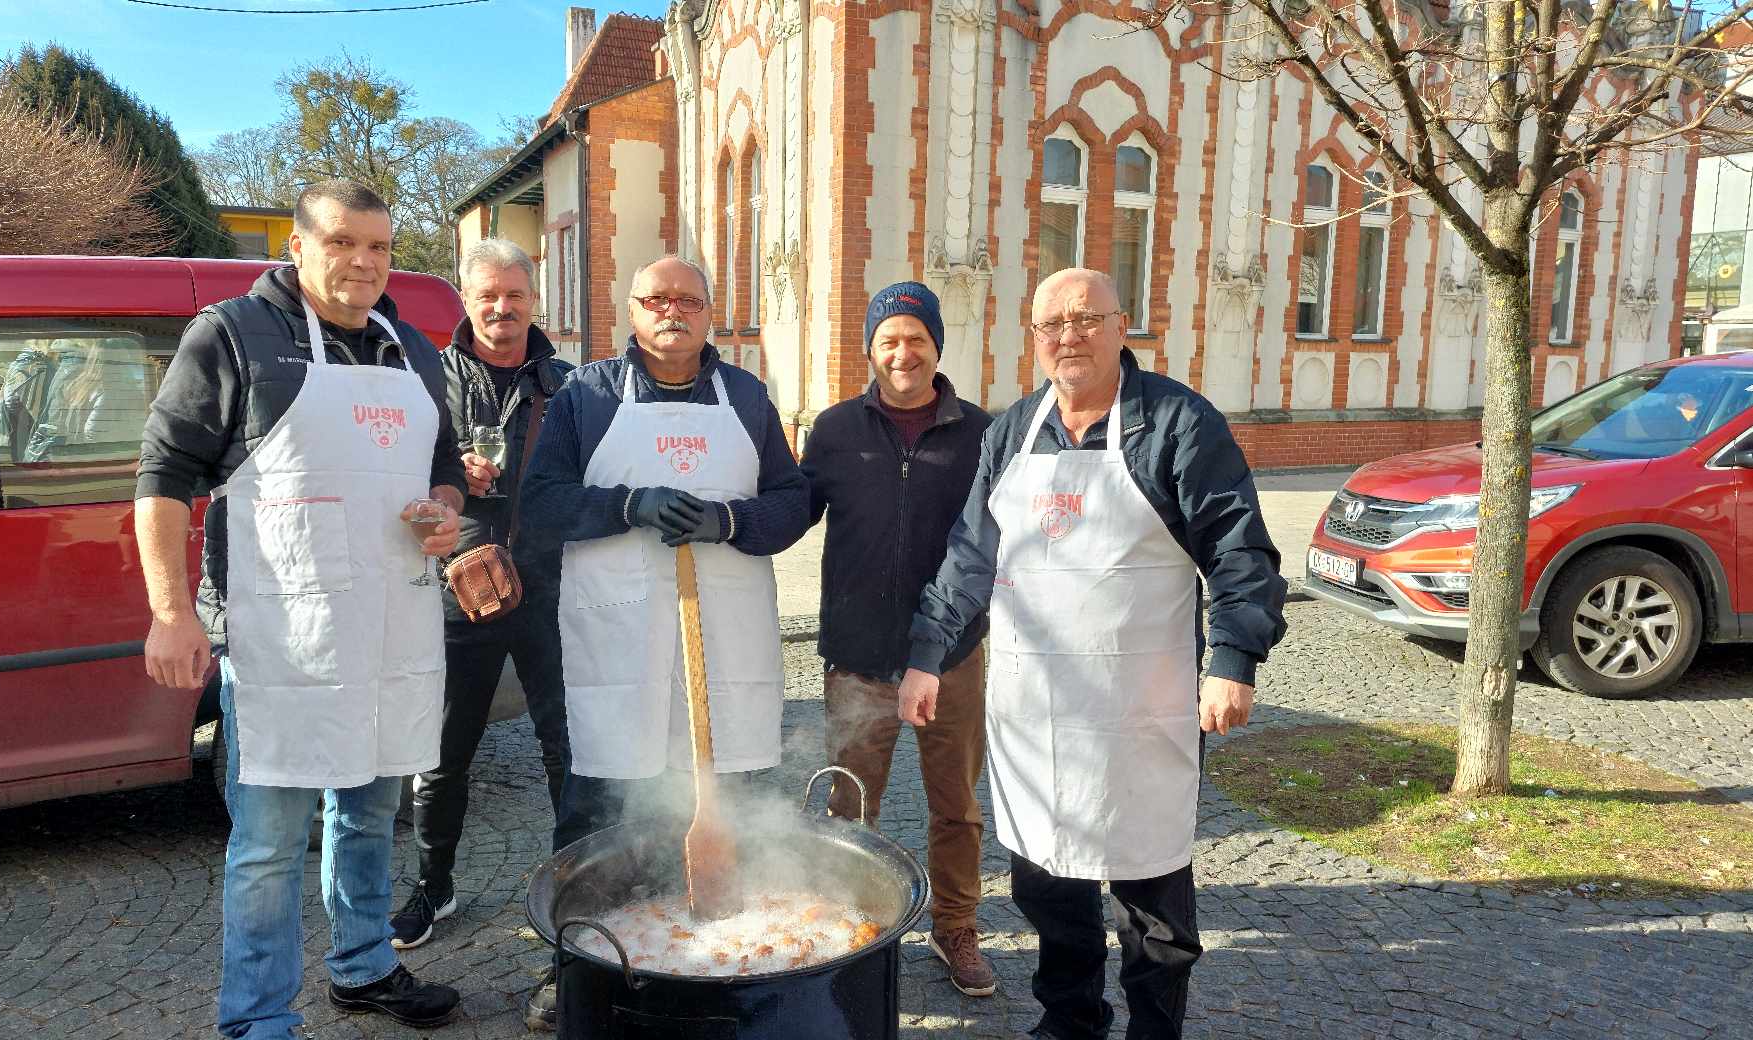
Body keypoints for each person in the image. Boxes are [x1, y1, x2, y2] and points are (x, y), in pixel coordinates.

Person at [899, 268, 1287, 1040]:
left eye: (1086, 318)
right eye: (1052, 324)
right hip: (1032, 715)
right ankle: (1069, 1021)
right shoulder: (1012, 431)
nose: (1068, 335)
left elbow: (1239, 551)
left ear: (1120, 327)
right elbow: (970, 557)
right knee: (1046, 886)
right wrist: (926, 652)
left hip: (1138, 711)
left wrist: (1233, 658)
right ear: (1033, 339)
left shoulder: (1176, 423)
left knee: (1151, 901)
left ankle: (1152, 1029)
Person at [135, 179, 467, 1039]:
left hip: (390, 623)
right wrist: (171, 612)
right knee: (268, 845)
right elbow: (164, 476)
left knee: (366, 816)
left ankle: (363, 967)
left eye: (380, 247)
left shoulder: (410, 347)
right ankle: (256, 1019)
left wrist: (444, 512)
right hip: (280, 633)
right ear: (296, 244)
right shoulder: (233, 335)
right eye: (342, 242)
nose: (363, 262)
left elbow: (442, 463)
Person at [521, 255, 809, 844]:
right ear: (631, 311)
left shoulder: (748, 397)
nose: (672, 311)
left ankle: (725, 924)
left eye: (688, 301)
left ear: (708, 315)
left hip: (726, 636)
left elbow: (795, 503)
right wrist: (628, 506)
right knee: (602, 801)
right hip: (616, 638)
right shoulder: (588, 394)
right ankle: (586, 928)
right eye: (657, 300)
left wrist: (727, 519)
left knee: (730, 795)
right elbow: (541, 503)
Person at [797, 281, 996, 997]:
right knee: (849, 804)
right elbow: (790, 511)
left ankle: (955, 928)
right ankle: (853, 922)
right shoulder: (834, 429)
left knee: (957, 807)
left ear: (936, 346)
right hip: (857, 656)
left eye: (915, 338)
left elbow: (992, 543)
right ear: (870, 349)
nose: (902, 352)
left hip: (952, 657)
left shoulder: (980, 432)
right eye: (888, 340)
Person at [391, 238, 574, 955]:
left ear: (534, 300)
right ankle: (434, 886)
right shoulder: (424, 379)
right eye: (488, 295)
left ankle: (575, 882)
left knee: (566, 748)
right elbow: (390, 484)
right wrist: (439, 482)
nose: (502, 308)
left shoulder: (569, 384)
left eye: (515, 295)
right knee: (441, 751)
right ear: (466, 301)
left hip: (551, 586)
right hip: (458, 588)